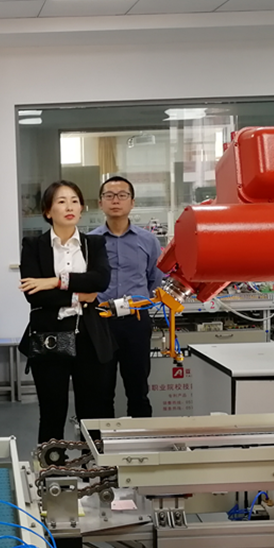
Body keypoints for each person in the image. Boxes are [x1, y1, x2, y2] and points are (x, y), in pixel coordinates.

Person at [19, 180, 114, 444]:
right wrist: (79, 295)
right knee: (52, 410)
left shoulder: (94, 243)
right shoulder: (34, 245)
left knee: (92, 411)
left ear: (82, 208)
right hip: (50, 336)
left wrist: (54, 281)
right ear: (48, 211)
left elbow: (100, 280)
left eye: (74, 201)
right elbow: (33, 294)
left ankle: (92, 465)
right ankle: (52, 465)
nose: (69, 207)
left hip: (89, 336)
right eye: (61, 202)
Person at [91, 176, 165, 418]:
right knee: (101, 390)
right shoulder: (91, 241)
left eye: (122, 195)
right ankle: (101, 440)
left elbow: (154, 278)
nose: (116, 201)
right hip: (101, 321)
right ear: (100, 203)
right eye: (109, 196)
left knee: (138, 388)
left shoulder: (148, 240)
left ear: (132, 202)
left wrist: (138, 301)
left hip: (136, 321)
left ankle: (141, 437)